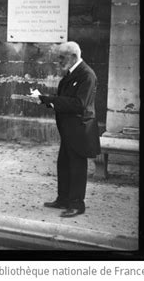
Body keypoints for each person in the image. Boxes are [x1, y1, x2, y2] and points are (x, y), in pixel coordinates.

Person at [30, 41, 100, 218]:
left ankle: (77, 204)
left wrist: (47, 98)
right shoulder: (72, 73)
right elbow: (63, 101)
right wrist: (44, 101)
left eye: (62, 57)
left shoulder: (87, 75)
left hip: (79, 128)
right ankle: (63, 199)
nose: (58, 61)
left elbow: (79, 104)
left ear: (74, 56)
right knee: (64, 164)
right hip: (69, 129)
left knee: (77, 167)